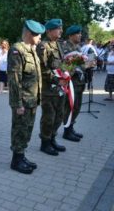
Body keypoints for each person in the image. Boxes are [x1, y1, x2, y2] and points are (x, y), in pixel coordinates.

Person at [8, 20, 45, 174]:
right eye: (39, 35)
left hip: (32, 100)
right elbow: (14, 80)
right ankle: (16, 160)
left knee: (27, 129)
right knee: (19, 130)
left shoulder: (31, 50)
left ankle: (22, 156)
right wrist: (18, 104)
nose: (40, 38)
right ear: (30, 34)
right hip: (22, 101)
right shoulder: (17, 50)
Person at [37, 19, 66, 156]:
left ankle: (52, 138)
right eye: (57, 28)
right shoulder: (43, 46)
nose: (60, 31)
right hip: (48, 89)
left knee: (59, 115)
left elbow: (61, 65)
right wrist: (57, 79)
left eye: (60, 28)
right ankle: (45, 142)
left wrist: (66, 75)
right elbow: (42, 70)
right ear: (49, 31)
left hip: (59, 88)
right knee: (49, 116)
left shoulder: (58, 45)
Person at [62, 25, 85, 142]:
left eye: (80, 33)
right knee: (70, 107)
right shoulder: (66, 47)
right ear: (71, 35)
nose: (80, 35)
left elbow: (81, 64)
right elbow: (66, 66)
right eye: (78, 33)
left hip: (79, 83)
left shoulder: (79, 47)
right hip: (72, 83)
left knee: (77, 107)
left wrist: (88, 65)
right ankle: (66, 131)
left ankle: (71, 127)